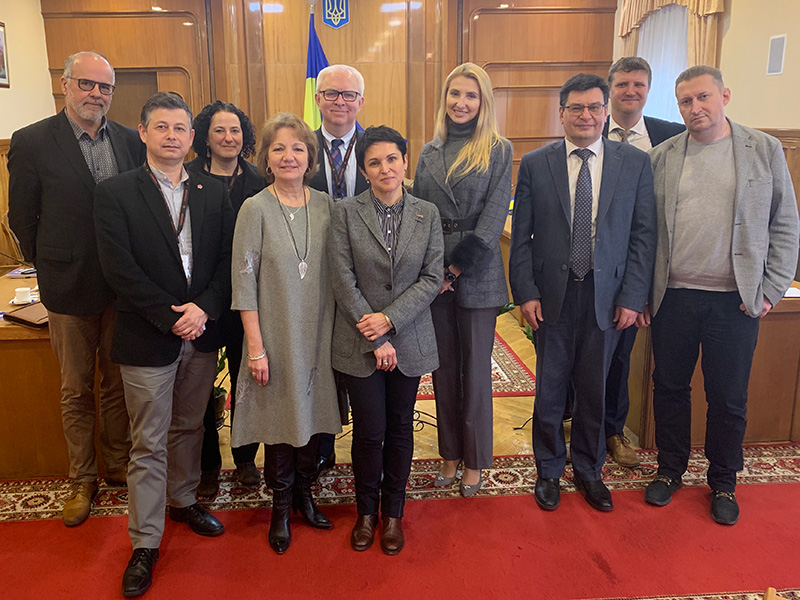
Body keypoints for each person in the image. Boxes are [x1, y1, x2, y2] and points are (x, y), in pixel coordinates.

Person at [645, 66, 799, 525]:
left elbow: (785, 224)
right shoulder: (662, 156)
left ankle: (724, 481)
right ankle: (670, 470)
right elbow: (645, 231)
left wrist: (770, 290)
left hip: (734, 302)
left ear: (724, 96)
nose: (695, 108)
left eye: (703, 97)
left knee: (728, 397)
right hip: (672, 297)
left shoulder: (763, 150)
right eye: (686, 101)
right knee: (669, 388)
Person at [94, 92, 232, 597]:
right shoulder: (115, 192)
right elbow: (118, 269)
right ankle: (145, 542)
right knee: (148, 441)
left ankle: (183, 499)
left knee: (190, 426)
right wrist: (171, 317)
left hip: (202, 330)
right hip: (148, 334)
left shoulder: (213, 191)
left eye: (180, 128)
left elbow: (227, 261)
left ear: (192, 138)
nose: (172, 136)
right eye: (161, 127)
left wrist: (204, 309)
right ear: (143, 132)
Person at [509, 73, 656, 513]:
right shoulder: (536, 163)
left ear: (606, 111)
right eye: (576, 108)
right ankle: (549, 469)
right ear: (562, 113)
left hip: (607, 297)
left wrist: (632, 296)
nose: (586, 115)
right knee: (550, 388)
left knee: (595, 389)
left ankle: (590, 470)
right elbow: (521, 237)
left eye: (594, 107)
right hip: (552, 295)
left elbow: (643, 235)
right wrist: (525, 292)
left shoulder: (634, 163)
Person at [8, 50, 142, 527]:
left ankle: (117, 462)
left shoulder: (129, 140)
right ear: (65, 84)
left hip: (122, 287)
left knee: (117, 382)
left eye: (105, 87)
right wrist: (50, 263)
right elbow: (21, 218)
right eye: (86, 84)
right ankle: (81, 479)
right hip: (67, 287)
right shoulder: (32, 141)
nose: (96, 94)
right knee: (75, 389)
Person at [328, 125, 443, 555]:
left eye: (392, 159)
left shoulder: (426, 213)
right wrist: (374, 334)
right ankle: (366, 513)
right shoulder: (345, 212)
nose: (385, 169)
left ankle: (394, 512)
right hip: (359, 341)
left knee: (399, 429)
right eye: (374, 162)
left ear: (405, 161)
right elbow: (342, 278)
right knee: (368, 430)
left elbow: (431, 277)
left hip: (409, 337)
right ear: (363, 170)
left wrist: (389, 321)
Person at [230, 113, 342, 555]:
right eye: (278, 148)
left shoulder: (326, 205)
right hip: (273, 336)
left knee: (313, 417)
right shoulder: (254, 208)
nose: (288, 156)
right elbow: (243, 283)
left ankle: (304, 495)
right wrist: (255, 349)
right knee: (279, 422)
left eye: (297, 148)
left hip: (319, 334)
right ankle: (280, 506)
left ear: (310, 157)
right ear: (266, 158)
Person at [412, 62, 513, 496]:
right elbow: (418, 214)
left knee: (474, 374)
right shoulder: (429, 151)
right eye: (455, 94)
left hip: (477, 272)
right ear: (445, 99)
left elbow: (493, 218)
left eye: (471, 95)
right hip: (434, 274)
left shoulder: (498, 149)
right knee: (444, 370)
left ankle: (474, 460)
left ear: (483, 101)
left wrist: (455, 269)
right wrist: (433, 271)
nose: (461, 102)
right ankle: (449, 454)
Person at [597, 56, 686, 468]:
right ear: (610, 89)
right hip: (592, 265)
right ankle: (578, 425)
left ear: (649, 89)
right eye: (622, 84)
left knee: (621, 356)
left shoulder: (672, 137)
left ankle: (613, 432)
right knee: (581, 355)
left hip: (642, 266)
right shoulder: (588, 129)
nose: (630, 91)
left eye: (639, 84)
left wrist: (644, 287)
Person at [186, 101, 267, 496]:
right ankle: (207, 465)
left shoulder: (259, 180)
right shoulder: (186, 178)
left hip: (247, 300)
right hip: (202, 298)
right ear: (205, 136)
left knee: (244, 382)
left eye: (235, 130)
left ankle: (246, 458)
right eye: (219, 130)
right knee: (200, 388)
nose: (228, 137)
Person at [308, 64, 370, 475]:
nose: (340, 102)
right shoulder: (302, 147)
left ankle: (368, 448)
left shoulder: (376, 148)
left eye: (349, 95)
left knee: (361, 363)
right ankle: (321, 448)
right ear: (318, 99)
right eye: (331, 93)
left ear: (360, 102)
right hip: (312, 271)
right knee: (320, 362)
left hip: (367, 275)